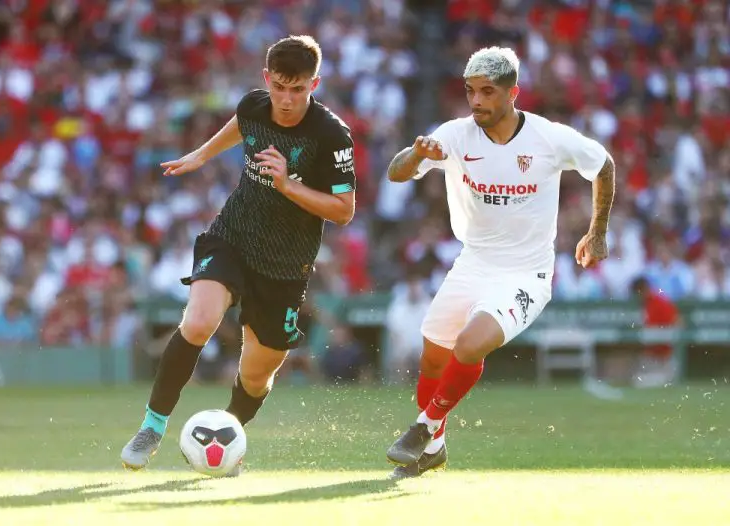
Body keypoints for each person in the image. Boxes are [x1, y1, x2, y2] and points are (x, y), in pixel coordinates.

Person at [120, 35, 356, 471]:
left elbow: (344, 210)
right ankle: (152, 426)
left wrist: (288, 185)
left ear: (314, 85)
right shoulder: (253, 105)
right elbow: (241, 124)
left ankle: (226, 436)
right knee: (199, 320)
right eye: (279, 87)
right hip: (233, 236)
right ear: (267, 80)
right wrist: (202, 154)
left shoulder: (331, 135)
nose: (286, 99)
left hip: (287, 264)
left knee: (256, 374)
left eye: (297, 89)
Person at [384, 47, 616, 478]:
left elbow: (603, 164)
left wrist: (596, 230)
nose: (476, 101)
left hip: (526, 273)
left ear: (513, 93)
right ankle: (433, 450)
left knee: (469, 344)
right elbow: (396, 172)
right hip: (472, 263)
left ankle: (425, 426)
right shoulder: (454, 135)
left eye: (487, 92)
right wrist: (417, 155)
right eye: (470, 91)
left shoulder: (548, 138)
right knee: (433, 357)